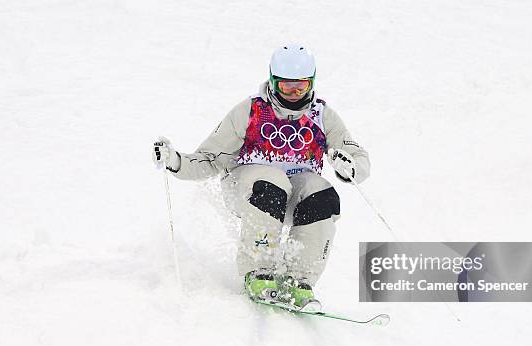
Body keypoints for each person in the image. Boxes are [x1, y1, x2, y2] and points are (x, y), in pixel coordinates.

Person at [152, 44, 370, 310]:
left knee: (323, 194)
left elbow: (357, 157)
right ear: (273, 81)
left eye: (300, 87)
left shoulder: (322, 116)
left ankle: (299, 280)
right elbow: (209, 158)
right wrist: (176, 162)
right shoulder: (251, 112)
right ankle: (258, 272)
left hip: (293, 195)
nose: (292, 94)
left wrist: (350, 167)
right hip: (247, 189)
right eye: (285, 87)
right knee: (273, 183)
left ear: (311, 83)